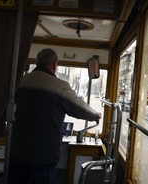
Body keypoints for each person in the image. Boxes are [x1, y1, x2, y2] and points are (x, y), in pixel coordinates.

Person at [9, 48, 101, 184]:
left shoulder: (20, 81)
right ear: (54, 65)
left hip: (17, 149)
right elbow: (79, 108)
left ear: (37, 62)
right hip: (44, 153)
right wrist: (95, 115)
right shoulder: (59, 86)